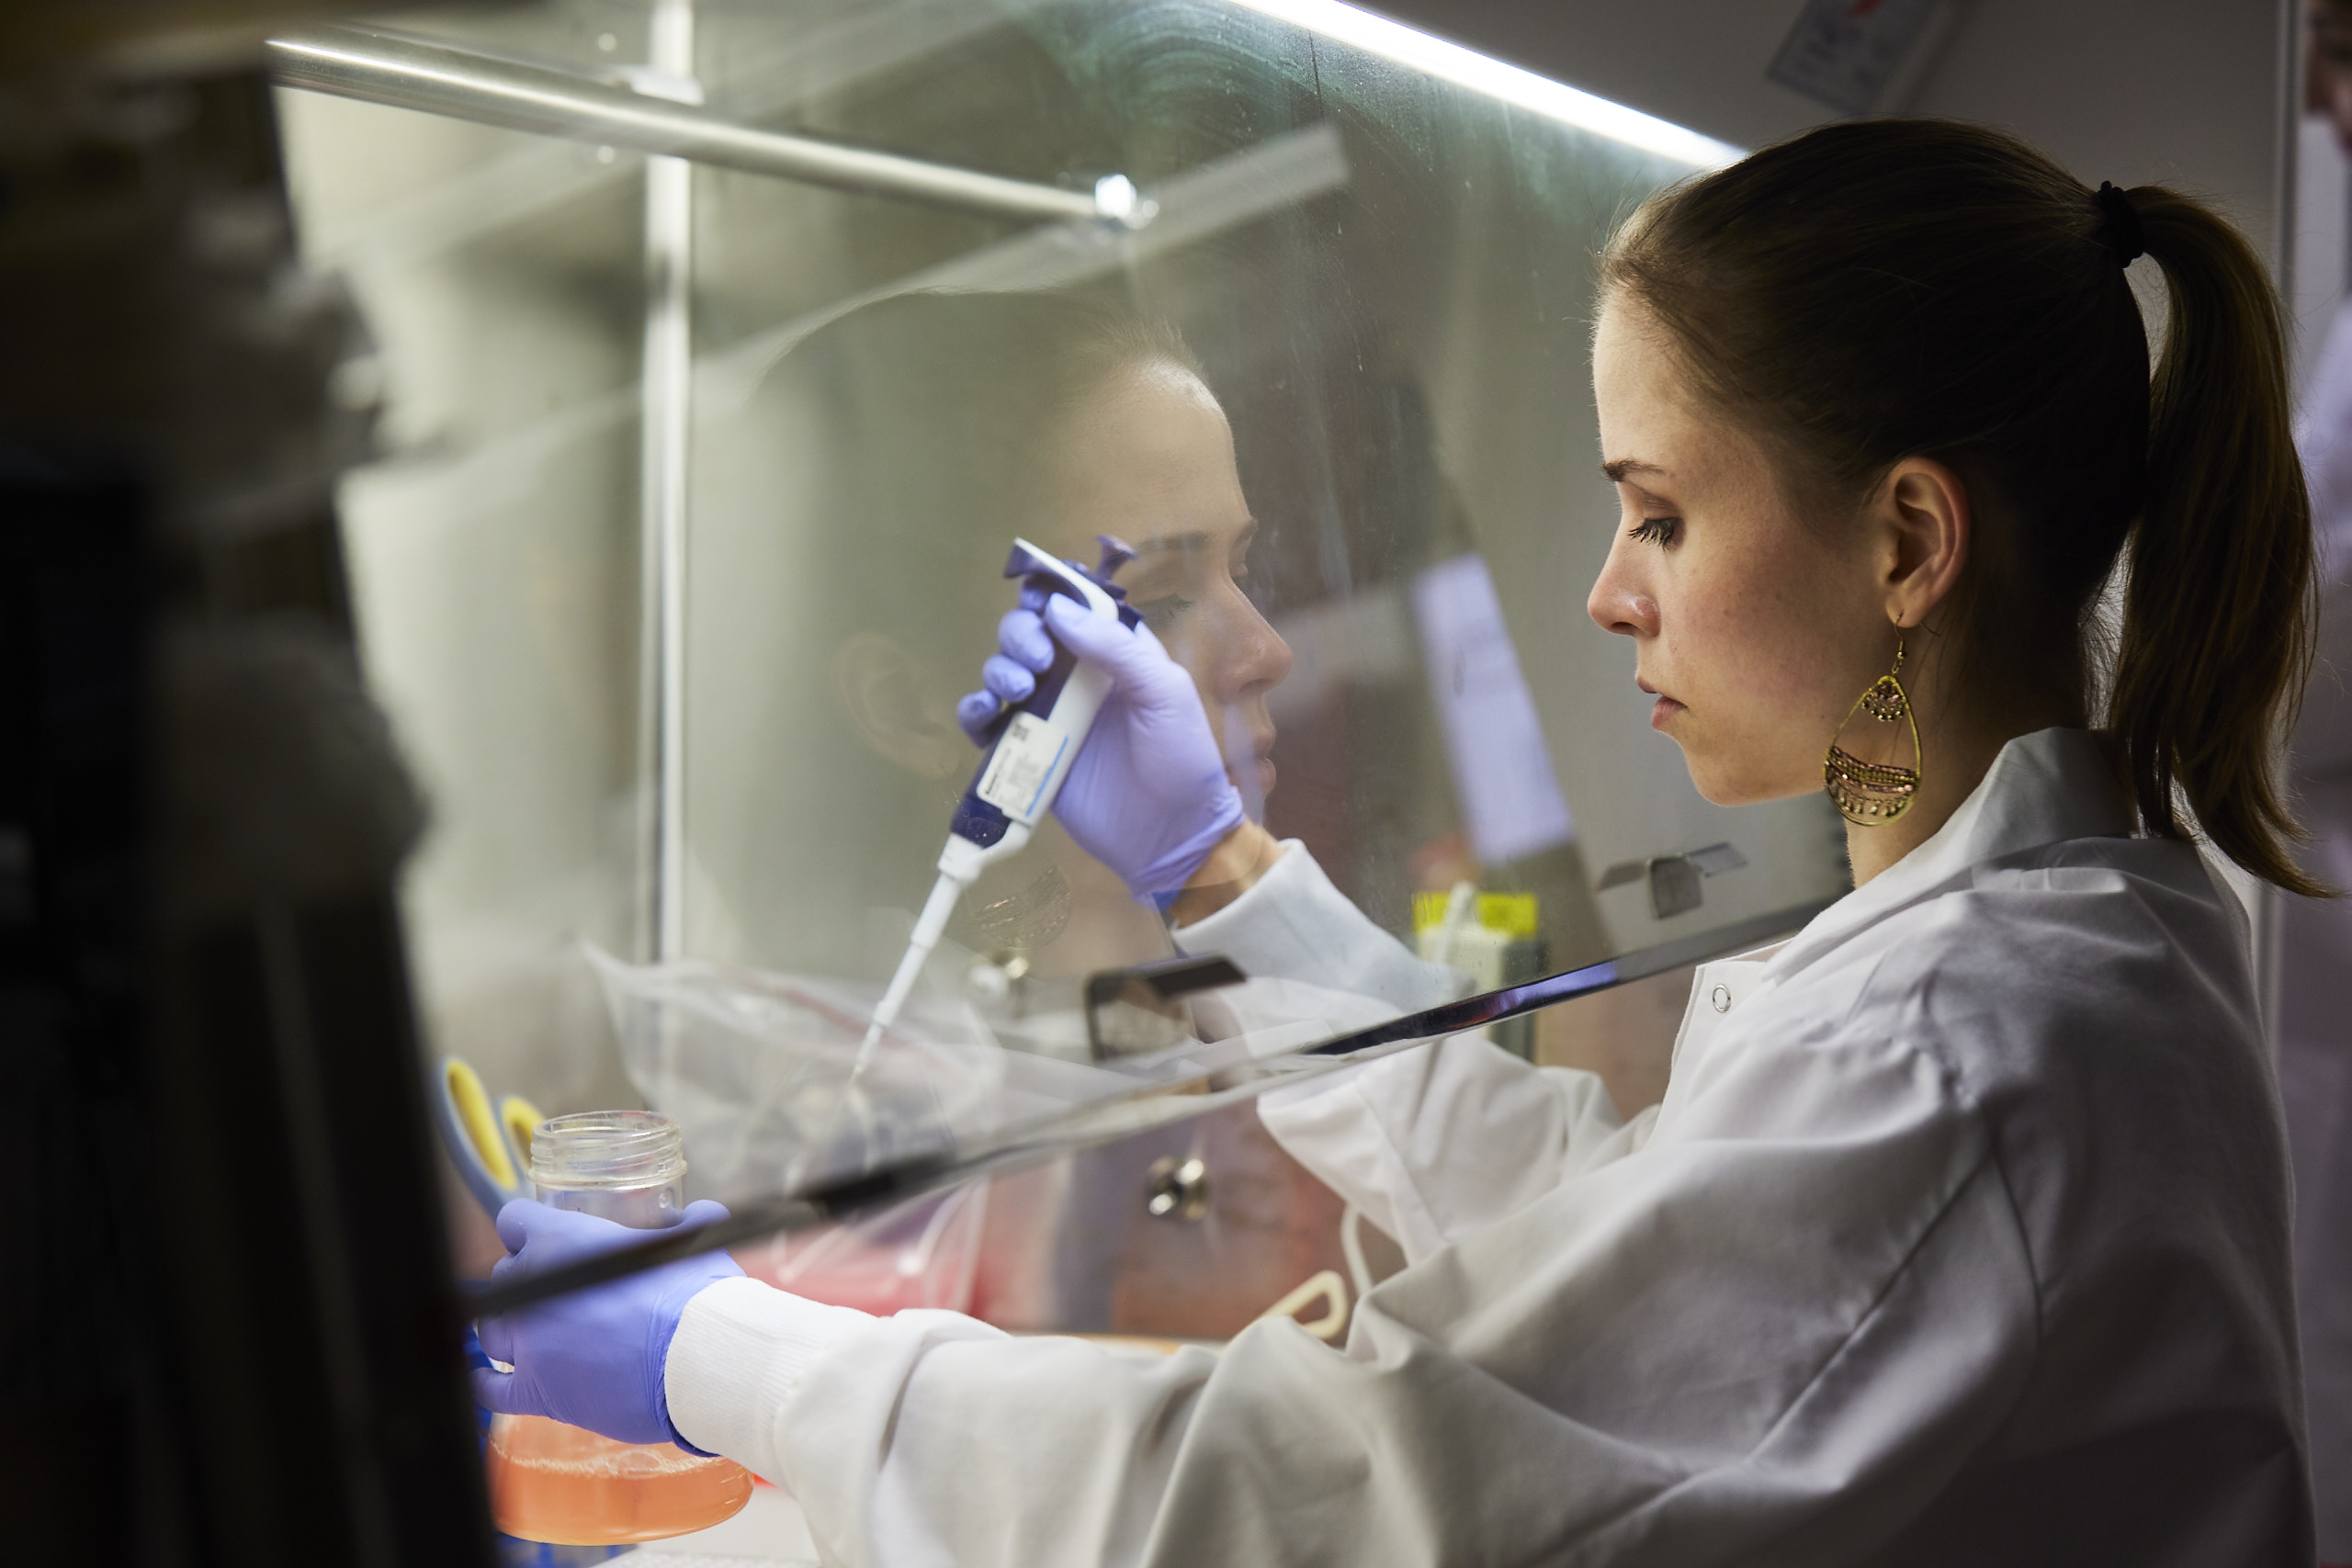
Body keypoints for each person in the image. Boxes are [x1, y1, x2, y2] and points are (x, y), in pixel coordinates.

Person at [474, 119, 2321, 1563]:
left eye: (1657, 516)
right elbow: (1617, 1235)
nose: (1603, 595)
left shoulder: (1962, 1046)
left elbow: (1315, 1503)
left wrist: (717, 1350)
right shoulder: (2007, 947)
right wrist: (1221, 868)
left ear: (1908, 543)